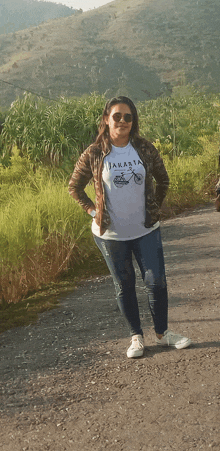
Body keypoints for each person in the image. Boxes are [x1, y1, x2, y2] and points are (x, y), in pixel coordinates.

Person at [69, 96, 191, 358]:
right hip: (111, 235)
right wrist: (93, 211)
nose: (122, 121)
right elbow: (74, 187)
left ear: (133, 121)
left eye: (128, 117)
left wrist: (154, 209)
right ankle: (136, 337)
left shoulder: (144, 149)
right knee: (124, 285)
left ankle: (163, 333)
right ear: (106, 119)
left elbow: (163, 180)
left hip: (146, 229)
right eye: (117, 116)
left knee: (156, 280)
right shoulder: (94, 152)